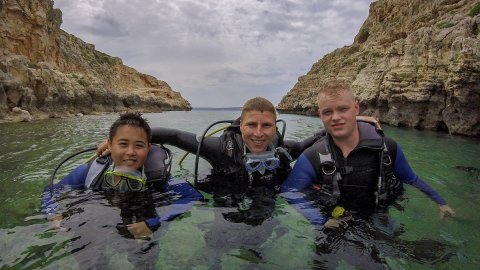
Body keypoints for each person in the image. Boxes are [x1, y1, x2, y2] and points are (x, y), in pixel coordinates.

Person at [281, 80, 455, 229]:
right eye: (328, 112)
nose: (335, 117)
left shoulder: (388, 148)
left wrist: (441, 202)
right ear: (320, 115)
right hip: (334, 222)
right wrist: (320, 220)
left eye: (343, 109)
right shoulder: (313, 156)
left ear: (356, 109)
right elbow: (290, 190)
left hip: (378, 216)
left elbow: (412, 179)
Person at [42, 112, 202, 268]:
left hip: (140, 220)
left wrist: (153, 222)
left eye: (139, 145)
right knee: (88, 256)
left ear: (148, 148)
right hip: (97, 217)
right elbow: (53, 190)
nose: (130, 152)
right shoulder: (93, 171)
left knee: (144, 258)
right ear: (110, 145)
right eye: (123, 144)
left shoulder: (157, 175)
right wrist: (52, 212)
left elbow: (191, 196)